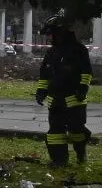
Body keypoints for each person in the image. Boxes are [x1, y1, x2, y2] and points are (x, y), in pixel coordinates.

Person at [36, 15, 94, 166]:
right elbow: (44, 74)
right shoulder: (51, 53)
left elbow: (86, 72)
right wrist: (41, 91)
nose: (48, 38)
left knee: (77, 131)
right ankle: (59, 160)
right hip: (55, 99)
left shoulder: (79, 51)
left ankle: (81, 151)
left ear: (59, 33)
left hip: (74, 99)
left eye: (50, 34)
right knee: (55, 132)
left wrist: (83, 88)